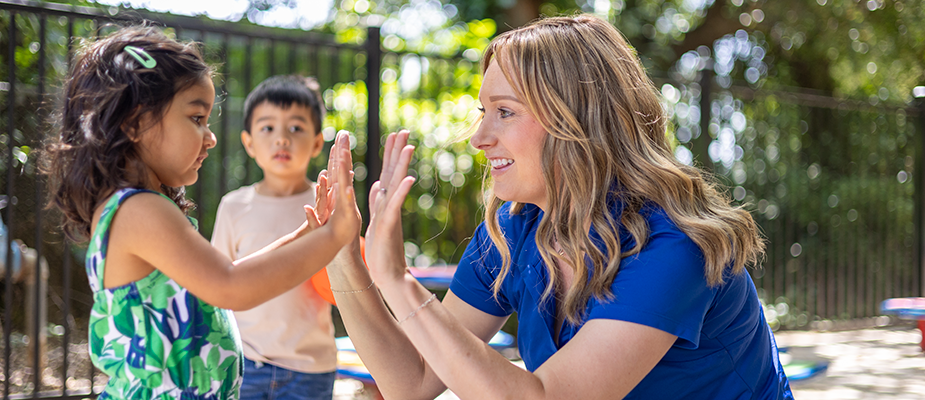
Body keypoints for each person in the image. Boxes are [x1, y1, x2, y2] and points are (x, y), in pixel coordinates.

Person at [325, 14, 794, 399]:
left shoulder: (672, 245)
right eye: (482, 112)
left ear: (578, 118)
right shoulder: (512, 230)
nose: (479, 138)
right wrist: (344, 259)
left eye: (504, 112)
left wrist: (400, 284)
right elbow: (413, 381)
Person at [41, 26, 359, 400]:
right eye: (196, 119)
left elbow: (227, 275)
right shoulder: (137, 210)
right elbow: (230, 286)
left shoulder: (144, 206)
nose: (210, 137)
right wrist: (334, 236)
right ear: (136, 123)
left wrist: (306, 235)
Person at [211, 75, 337, 400]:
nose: (282, 138)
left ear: (318, 142)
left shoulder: (329, 204)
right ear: (249, 142)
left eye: (296, 128)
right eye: (267, 128)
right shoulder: (234, 207)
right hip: (244, 363)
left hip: (311, 368)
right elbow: (215, 288)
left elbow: (349, 277)